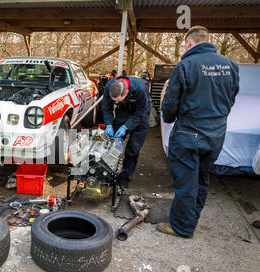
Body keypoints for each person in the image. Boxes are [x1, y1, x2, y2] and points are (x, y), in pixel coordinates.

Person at [157, 26, 239, 238]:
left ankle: (182, 228)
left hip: (188, 134)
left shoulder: (186, 66)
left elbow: (170, 102)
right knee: (202, 178)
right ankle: (191, 220)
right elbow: (232, 97)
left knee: (186, 183)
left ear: (189, 43)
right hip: (216, 133)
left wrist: (168, 120)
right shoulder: (230, 65)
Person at [101, 74, 151, 190]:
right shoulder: (109, 87)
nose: (116, 103)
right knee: (113, 143)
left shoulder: (140, 89)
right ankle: (108, 173)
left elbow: (140, 113)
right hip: (123, 112)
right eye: (114, 101)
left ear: (126, 92)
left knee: (133, 149)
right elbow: (106, 108)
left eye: (118, 101)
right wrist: (108, 124)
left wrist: (126, 127)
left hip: (140, 115)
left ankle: (124, 177)